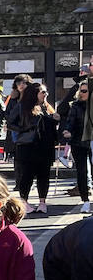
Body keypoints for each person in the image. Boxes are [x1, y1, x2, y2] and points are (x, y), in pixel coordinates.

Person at [8, 81, 59, 214]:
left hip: (45, 145)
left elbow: (50, 125)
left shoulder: (47, 107)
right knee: (26, 175)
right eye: (43, 92)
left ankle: (42, 202)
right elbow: (10, 123)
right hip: (27, 145)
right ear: (35, 93)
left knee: (44, 175)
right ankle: (24, 201)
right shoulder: (22, 107)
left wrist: (56, 120)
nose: (45, 94)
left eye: (46, 92)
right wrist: (24, 129)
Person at [60, 79, 91, 212]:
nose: (83, 93)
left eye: (86, 91)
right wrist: (68, 130)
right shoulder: (76, 106)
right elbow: (70, 121)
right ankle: (85, 200)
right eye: (82, 91)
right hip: (79, 141)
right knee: (82, 172)